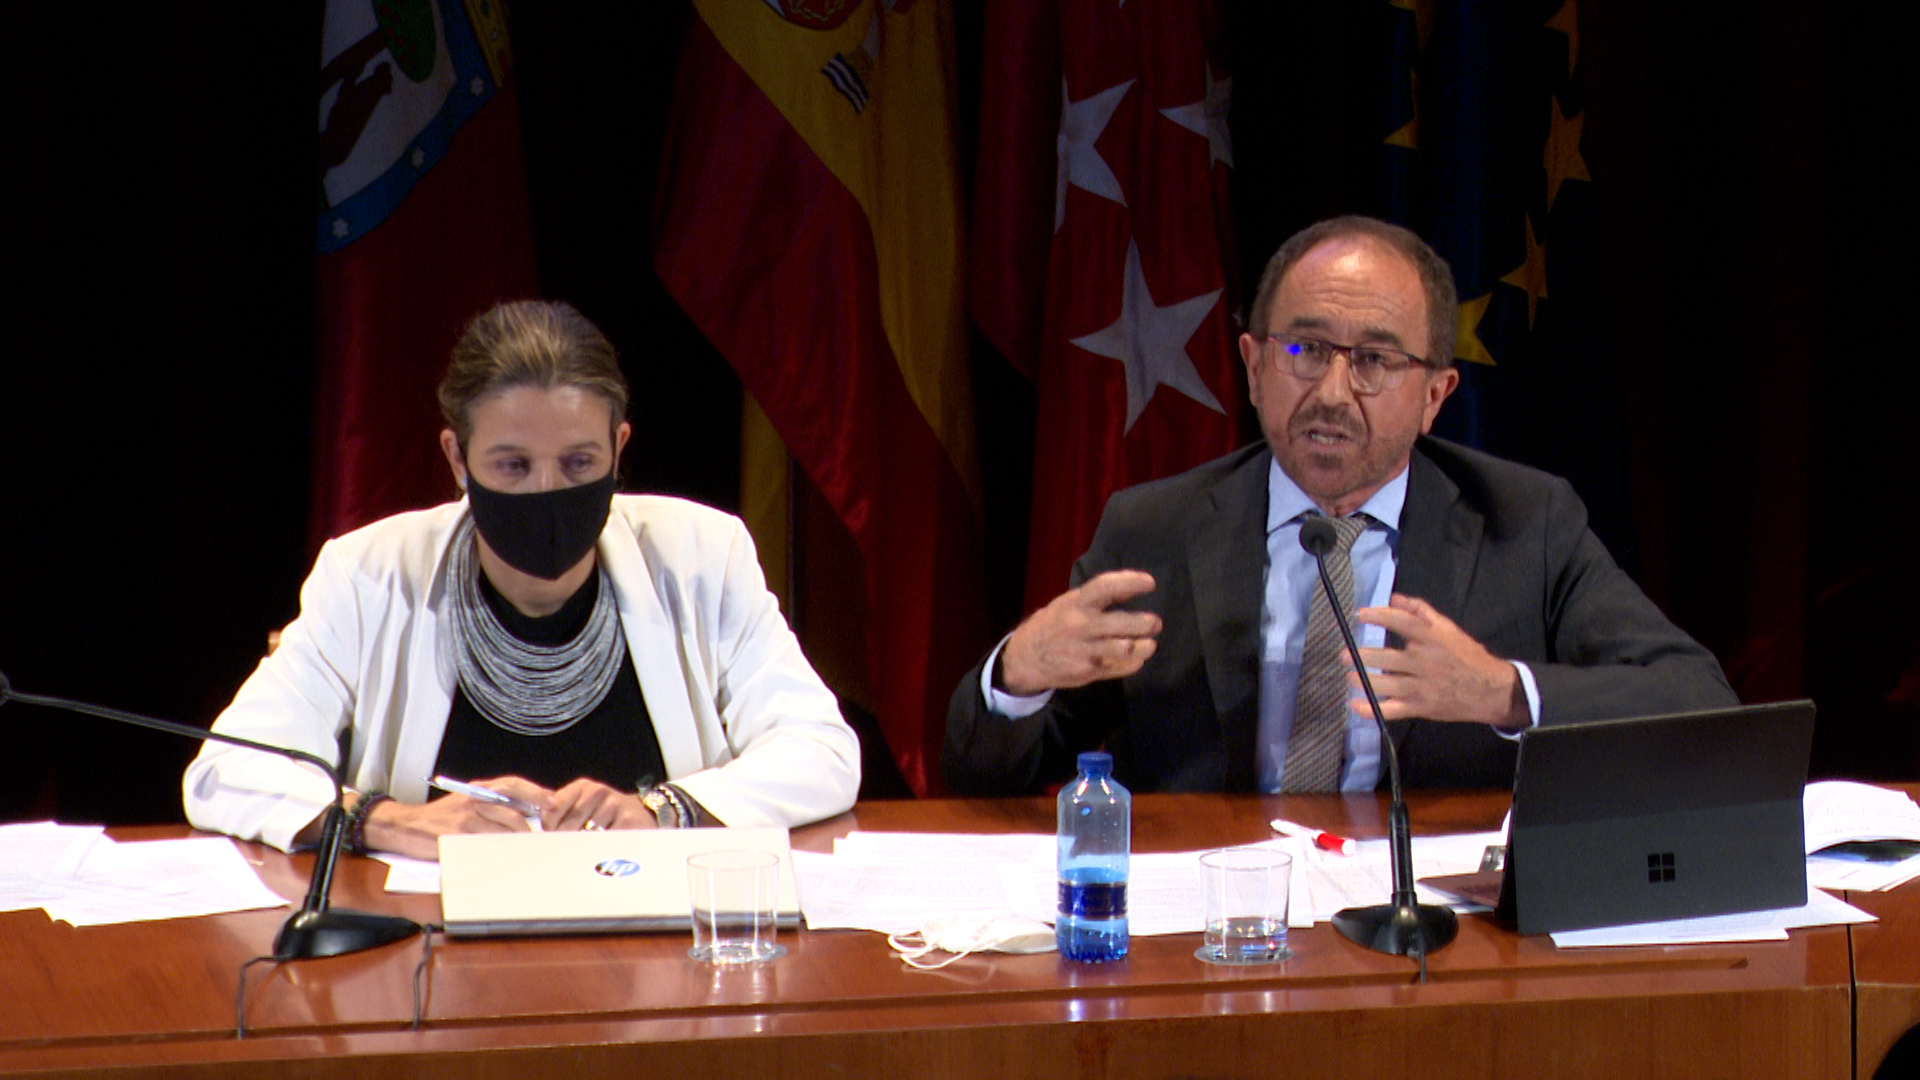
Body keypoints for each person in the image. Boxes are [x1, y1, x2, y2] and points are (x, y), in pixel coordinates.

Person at [945, 215, 1736, 795]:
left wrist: (1500, 692)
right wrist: (1018, 676)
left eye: (1374, 361)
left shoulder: (1526, 524)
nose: (1330, 391)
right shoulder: (1153, 529)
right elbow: (983, 774)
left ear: (1435, 396)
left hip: (1434, 921)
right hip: (1216, 912)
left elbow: (1698, 700)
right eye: (1305, 349)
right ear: (1254, 367)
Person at [185, 301, 859, 858]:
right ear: (458, 458)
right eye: (513, 465)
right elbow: (224, 772)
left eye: (578, 463)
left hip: (660, 948)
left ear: (619, 449)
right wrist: (394, 822)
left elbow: (822, 752)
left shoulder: (701, 556)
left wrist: (665, 810)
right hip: (427, 953)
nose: (546, 491)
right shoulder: (368, 575)